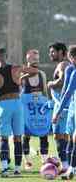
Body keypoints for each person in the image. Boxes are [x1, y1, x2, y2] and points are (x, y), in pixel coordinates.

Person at [0, 47, 38, 177]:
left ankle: (5, 168)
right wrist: (21, 77)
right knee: (17, 138)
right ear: (6, 56)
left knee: (3, 138)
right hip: (17, 103)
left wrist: (0, 99)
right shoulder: (16, 68)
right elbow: (35, 71)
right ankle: (17, 169)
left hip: (4, 105)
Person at [20, 49, 51, 170]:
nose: (36, 61)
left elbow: (45, 94)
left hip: (40, 110)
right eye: (33, 59)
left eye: (37, 59)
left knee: (43, 134)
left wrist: (48, 108)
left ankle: (44, 160)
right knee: (26, 136)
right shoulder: (22, 77)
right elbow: (19, 93)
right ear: (27, 59)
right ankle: (27, 161)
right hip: (27, 111)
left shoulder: (42, 74)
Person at [53, 45, 76, 180]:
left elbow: (66, 92)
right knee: (71, 138)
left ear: (71, 57)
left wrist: (59, 111)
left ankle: (70, 169)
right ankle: (70, 169)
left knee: (72, 139)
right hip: (72, 108)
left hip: (72, 108)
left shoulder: (71, 70)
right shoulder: (70, 70)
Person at [48, 42, 70, 172]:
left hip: (63, 106)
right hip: (63, 105)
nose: (50, 54)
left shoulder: (63, 64)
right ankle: (68, 165)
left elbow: (62, 81)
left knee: (58, 136)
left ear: (61, 52)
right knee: (65, 137)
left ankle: (66, 165)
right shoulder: (64, 64)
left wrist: (51, 83)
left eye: (53, 52)